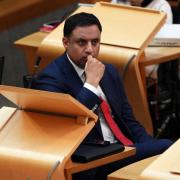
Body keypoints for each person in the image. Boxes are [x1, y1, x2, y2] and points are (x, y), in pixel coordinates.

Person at [33, 12, 173, 180]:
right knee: (167, 147)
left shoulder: (109, 71)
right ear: (65, 42)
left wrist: (149, 147)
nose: (90, 50)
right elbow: (69, 126)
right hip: (93, 159)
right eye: (81, 42)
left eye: (95, 42)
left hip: (123, 148)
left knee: (168, 153)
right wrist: (91, 84)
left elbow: (129, 120)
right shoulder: (50, 79)